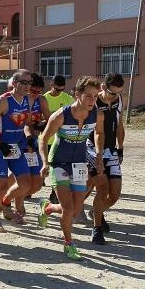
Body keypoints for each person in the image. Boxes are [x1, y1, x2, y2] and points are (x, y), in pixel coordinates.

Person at [38, 76, 104, 261]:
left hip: (79, 163)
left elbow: (99, 133)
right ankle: (69, 244)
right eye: (88, 96)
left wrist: (99, 157)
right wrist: (44, 163)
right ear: (77, 95)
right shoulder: (61, 115)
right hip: (58, 162)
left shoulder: (97, 114)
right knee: (68, 209)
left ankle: (47, 208)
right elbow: (43, 139)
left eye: (95, 96)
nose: (93, 100)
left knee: (75, 211)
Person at [0, 70, 34, 230]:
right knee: (2, 186)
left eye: (29, 82)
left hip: (17, 147)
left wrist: (29, 135)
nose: (28, 86)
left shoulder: (28, 100)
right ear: (15, 83)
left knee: (26, 184)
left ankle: (5, 203)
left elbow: (26, 123)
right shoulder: (2, 101)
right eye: (24, 82)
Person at [86, 73, 125, 245]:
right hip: (92, 149)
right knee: (102, 189)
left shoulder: (119, 100)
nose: (115, 96)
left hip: (112, 150)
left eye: (118, 93)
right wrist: (98, 155)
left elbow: (120, 125)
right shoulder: (93, 102)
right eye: (112, 93)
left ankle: (96, 212)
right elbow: (95, 131)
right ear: (103, 87)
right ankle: (96, 229)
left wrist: (121, 147)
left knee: (115, 194)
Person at [13, 73, 50, 215]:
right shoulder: (19, 99)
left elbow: (49, 120)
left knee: (37, 184)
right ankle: (13, 202)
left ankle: (17, 198)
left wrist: (41, 125)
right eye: (33, 91)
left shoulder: (41, 100)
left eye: (39, 92)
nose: (35, 94)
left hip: (32, 143)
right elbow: (22, 123)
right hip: (17, 141)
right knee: (17, 178)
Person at [43, 74, 74, 205]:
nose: (59, 92)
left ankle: (53, 194)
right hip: (45, 140)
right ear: (51, 85)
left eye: (61, 89)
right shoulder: (43, 98)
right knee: (44, 169)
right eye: (56, 89)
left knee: (58, 170)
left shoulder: (68, 99)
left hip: (60, 141)